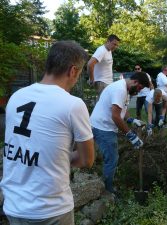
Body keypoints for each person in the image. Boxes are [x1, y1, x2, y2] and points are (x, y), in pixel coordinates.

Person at [1, 41, 95, 225]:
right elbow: (87, 160)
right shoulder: (73, 104)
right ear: (73, 71)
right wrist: (58, 158)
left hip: (13, 206)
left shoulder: (16, 97)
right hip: (50, 211)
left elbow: (23, 143)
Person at [90, 72, 150, 193]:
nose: (138, 91)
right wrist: (131, 135)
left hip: (103, 125)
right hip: (102, 127)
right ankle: (107, 190)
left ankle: (104, 183)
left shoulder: (126, 90)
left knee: (109, 156)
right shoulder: (120, 90)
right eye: (139, 88)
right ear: (135, 82)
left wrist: (131, 119)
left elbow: (123, 110)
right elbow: (116, 116)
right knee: (112, 158)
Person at [87, 34, 120, 100]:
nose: (115, 47)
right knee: (104, 104)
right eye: (114, 44)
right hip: (102, 83)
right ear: (108, 41)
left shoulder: (109, 50)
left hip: (107, 83)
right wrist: (92, 79)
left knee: (105, 104)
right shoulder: (101, 50)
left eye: (117, 45)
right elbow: (90, 64)